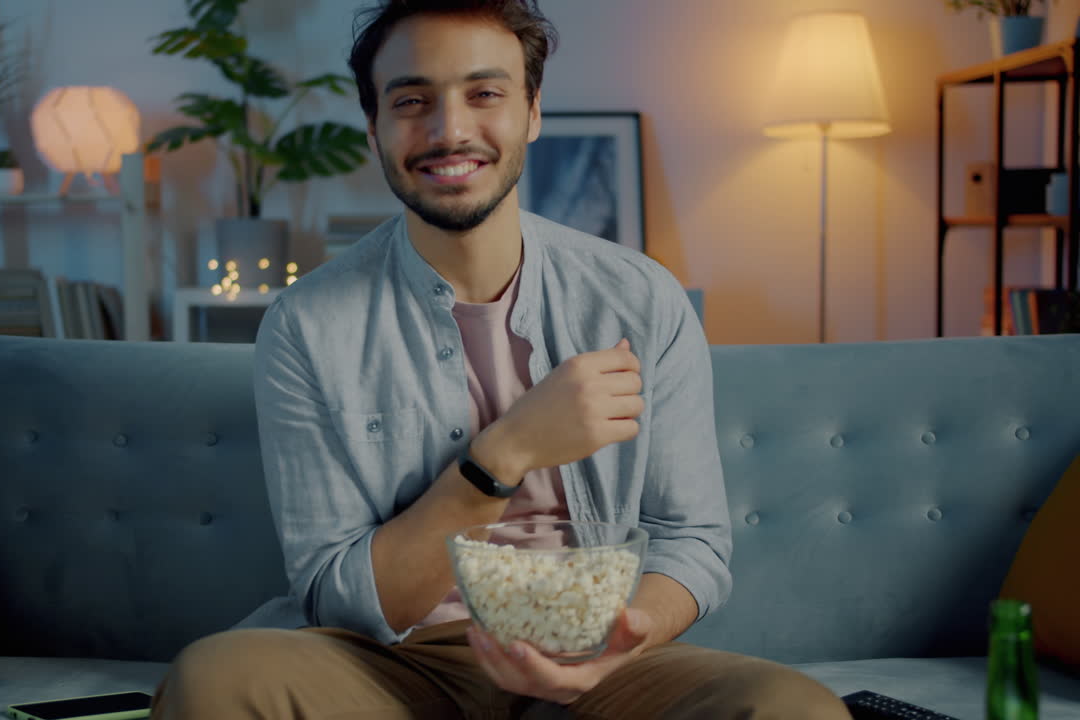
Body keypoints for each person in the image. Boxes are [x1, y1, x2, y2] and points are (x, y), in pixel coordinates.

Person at [152, 1, 851, 717]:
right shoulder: (306, 327)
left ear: (532, 111)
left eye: (484, 94)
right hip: (397, 668)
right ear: (374, 129)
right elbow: (344, 594)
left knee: (795, 707)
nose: (450, 129)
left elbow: (692, 541)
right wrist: (508, 449)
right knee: (214, 677)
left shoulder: (639, 300)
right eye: (412, 100)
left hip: (601, 660)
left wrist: (623, 637)